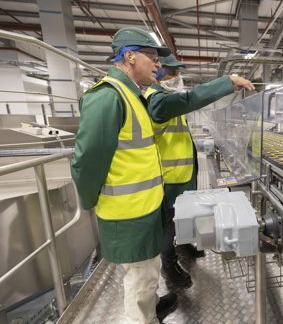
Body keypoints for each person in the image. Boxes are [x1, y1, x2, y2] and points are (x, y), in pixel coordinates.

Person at [70, 27, 177, 324]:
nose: (158, 65)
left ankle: (153, 307)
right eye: (152, 57)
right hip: (128, 213)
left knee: (147, 272)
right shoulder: (108, 97)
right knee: (140, 280)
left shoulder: (133, 96)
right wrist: (90, 200)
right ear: (129, 56)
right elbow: (87, 160)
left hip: (143, 207)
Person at [144, 55, 254, 288]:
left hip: (181, 175)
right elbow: (191, 99)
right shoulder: (158, 101)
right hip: (167, 177)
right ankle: (169, 266)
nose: (178, 78)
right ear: (159, 73)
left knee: (178, 219)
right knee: (168, 225)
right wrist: (227, 82)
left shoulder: (167, 99)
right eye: (173, 73)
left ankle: (183, 245)